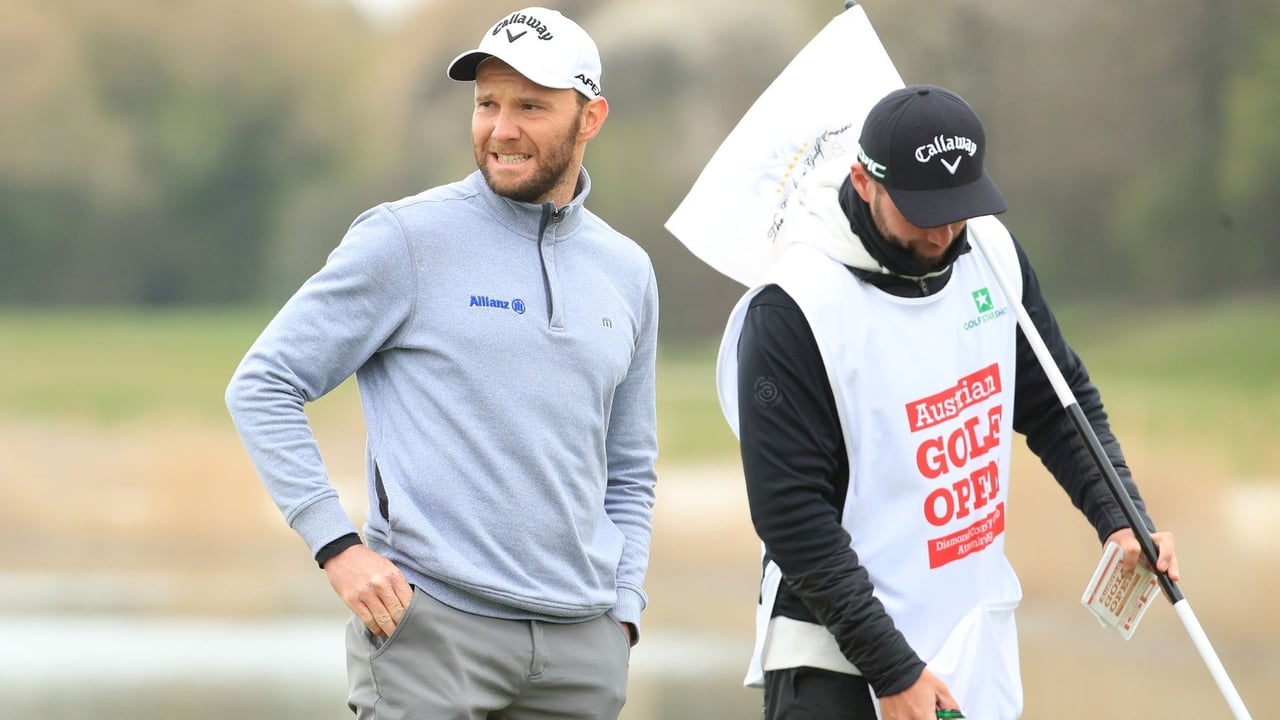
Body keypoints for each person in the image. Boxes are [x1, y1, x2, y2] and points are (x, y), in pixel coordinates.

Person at [225, 7, 659, 719]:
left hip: (582, 650)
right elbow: (264, 383)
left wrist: (623, 611)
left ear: (591, 118)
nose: (501, 128)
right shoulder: (405, 240)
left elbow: (631, 464)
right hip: (431, 633)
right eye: (487, 103)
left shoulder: (628, 270)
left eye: (531, 106)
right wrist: (337, 547)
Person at [714, 84, 1180, 719]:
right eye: (922, 211)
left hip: (967, 635)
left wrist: (1119, 512)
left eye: (957, 207)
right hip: (839, 660)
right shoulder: (793, 307)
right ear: (864, 180)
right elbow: (792, 515)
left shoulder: (990, 254)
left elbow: (1055, 400)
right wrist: (893, 669)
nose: (943, 232)